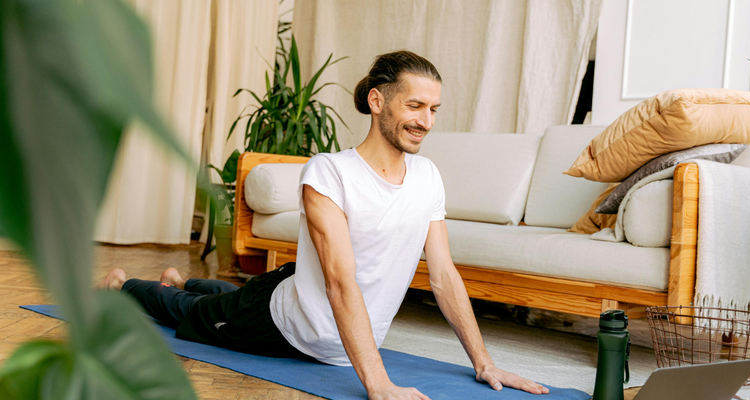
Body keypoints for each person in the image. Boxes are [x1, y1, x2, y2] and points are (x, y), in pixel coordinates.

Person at [100, 50, 549, 399]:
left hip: (295, 288)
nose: (425, 122)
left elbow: (445, 275)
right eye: (415, 106)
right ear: (377, 101)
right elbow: (338, 281)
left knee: (235, 295)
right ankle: (126, 288)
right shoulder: (329, 172)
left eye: (433, 109)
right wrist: (376, 382)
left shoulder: (427, 176)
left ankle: (185, 280)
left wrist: (484, 362)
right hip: (288, 324)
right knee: (193, 315)